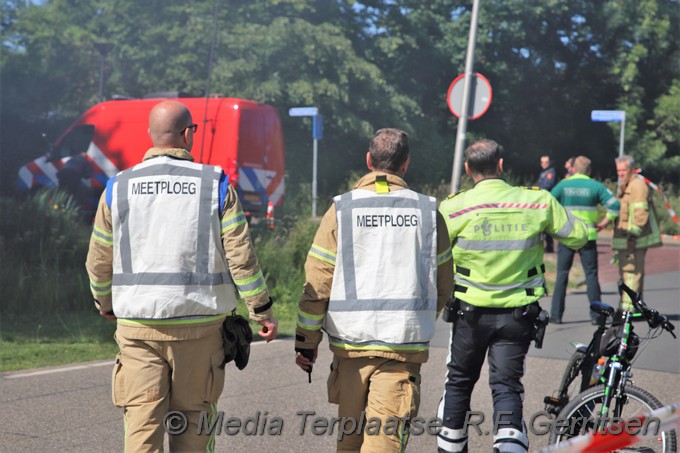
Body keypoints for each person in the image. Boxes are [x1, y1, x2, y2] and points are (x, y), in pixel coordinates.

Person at [85, 100, 278, 452]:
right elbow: (241, 256)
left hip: (137, 330)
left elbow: (98, 259)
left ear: (151, 135)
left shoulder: (118, 188)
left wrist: (105, 302)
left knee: (142, 429)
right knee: (194, 426)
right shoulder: (215, 184)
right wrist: (261, 309)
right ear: (187, 134)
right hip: (200, 333)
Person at [294, 128, 454, 452]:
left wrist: (306, 343)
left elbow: (317, 282)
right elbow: (444, 286)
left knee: (349, 443)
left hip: (350, 348)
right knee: (384, 443)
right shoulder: (428, 213)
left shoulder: (341, 209)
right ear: (406, 164)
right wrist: (416, 318)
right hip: (401, 348)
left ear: (368, 161)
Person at [437, 140, 587, 453]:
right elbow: (580, 235)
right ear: (501, 165)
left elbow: (430, 257)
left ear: (468, 170)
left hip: (469, 317)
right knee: (506, 387)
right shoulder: (537, 201)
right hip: (517, 316)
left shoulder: (453, 207)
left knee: (459, 384)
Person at [550, 156, 620, 324]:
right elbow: (615, 206)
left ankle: (556, 315)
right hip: (588, 236)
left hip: (566, 235)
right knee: (591, 275)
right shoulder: (595, 186)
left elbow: (548, 203)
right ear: (589, 170)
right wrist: (604, 223)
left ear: (573, 168)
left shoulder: (563, 185)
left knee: (562, 275)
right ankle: (597, 317)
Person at [612, 155, 662, 311]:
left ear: (632, 169)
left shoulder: (637, 186)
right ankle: (636, 306)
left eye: (623, 170)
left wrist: (632, 237)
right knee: (628, 272)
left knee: (631, 273)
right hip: (626, 238)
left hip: (633, 239)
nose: (620, 173)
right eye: (618, 170)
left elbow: (640, 213)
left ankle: (627, 309)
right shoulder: (627, 185)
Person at [537, 155, 557, 252]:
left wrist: (536, 189)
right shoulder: (543, 172)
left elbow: (547, 185)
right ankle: (548, 245)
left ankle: (549, 246)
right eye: (542, 162)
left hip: (547, 201)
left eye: (546, 162)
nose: (544, 164)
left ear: (549, 162)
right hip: (543, 200)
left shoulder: (550, 172)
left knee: (547, 224)